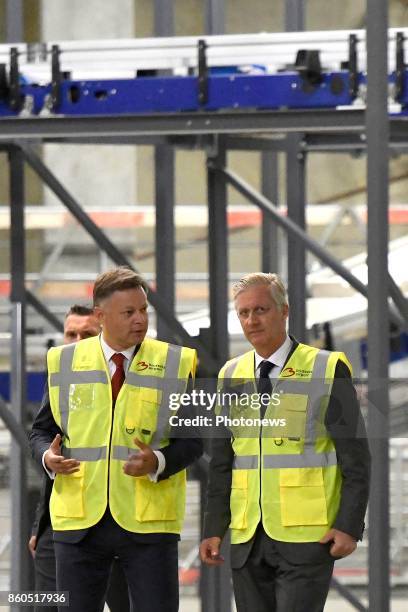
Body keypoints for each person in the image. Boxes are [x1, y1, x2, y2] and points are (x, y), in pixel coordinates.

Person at [30, 268, 202, 612]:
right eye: (129, 312)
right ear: (101, 316)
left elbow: (194, 440)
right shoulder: (63, 363)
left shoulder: (176, 362)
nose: (140, 319)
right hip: (80, 523)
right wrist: (48, 459)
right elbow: (41, 432)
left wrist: (159, 461)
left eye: (143, 310)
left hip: (148, 525)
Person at [200, 273, 370, 612]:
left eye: (260, 309)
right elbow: (221, 462)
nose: (251, 320)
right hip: (248, 538)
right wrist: (213, 528)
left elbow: (356, 459)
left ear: (284, 311)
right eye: (244, 313)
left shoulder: (326, 368)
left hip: (307, 538)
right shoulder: (230, 375)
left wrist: (348, 526)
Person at [29, 305, 130, 612]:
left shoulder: (129, 379)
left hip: (118, 522)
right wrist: (48, 456)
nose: (75, 341)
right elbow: (40, 434)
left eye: (86, 334)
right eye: (70, 334)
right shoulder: (61, 376)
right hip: (61, 524)